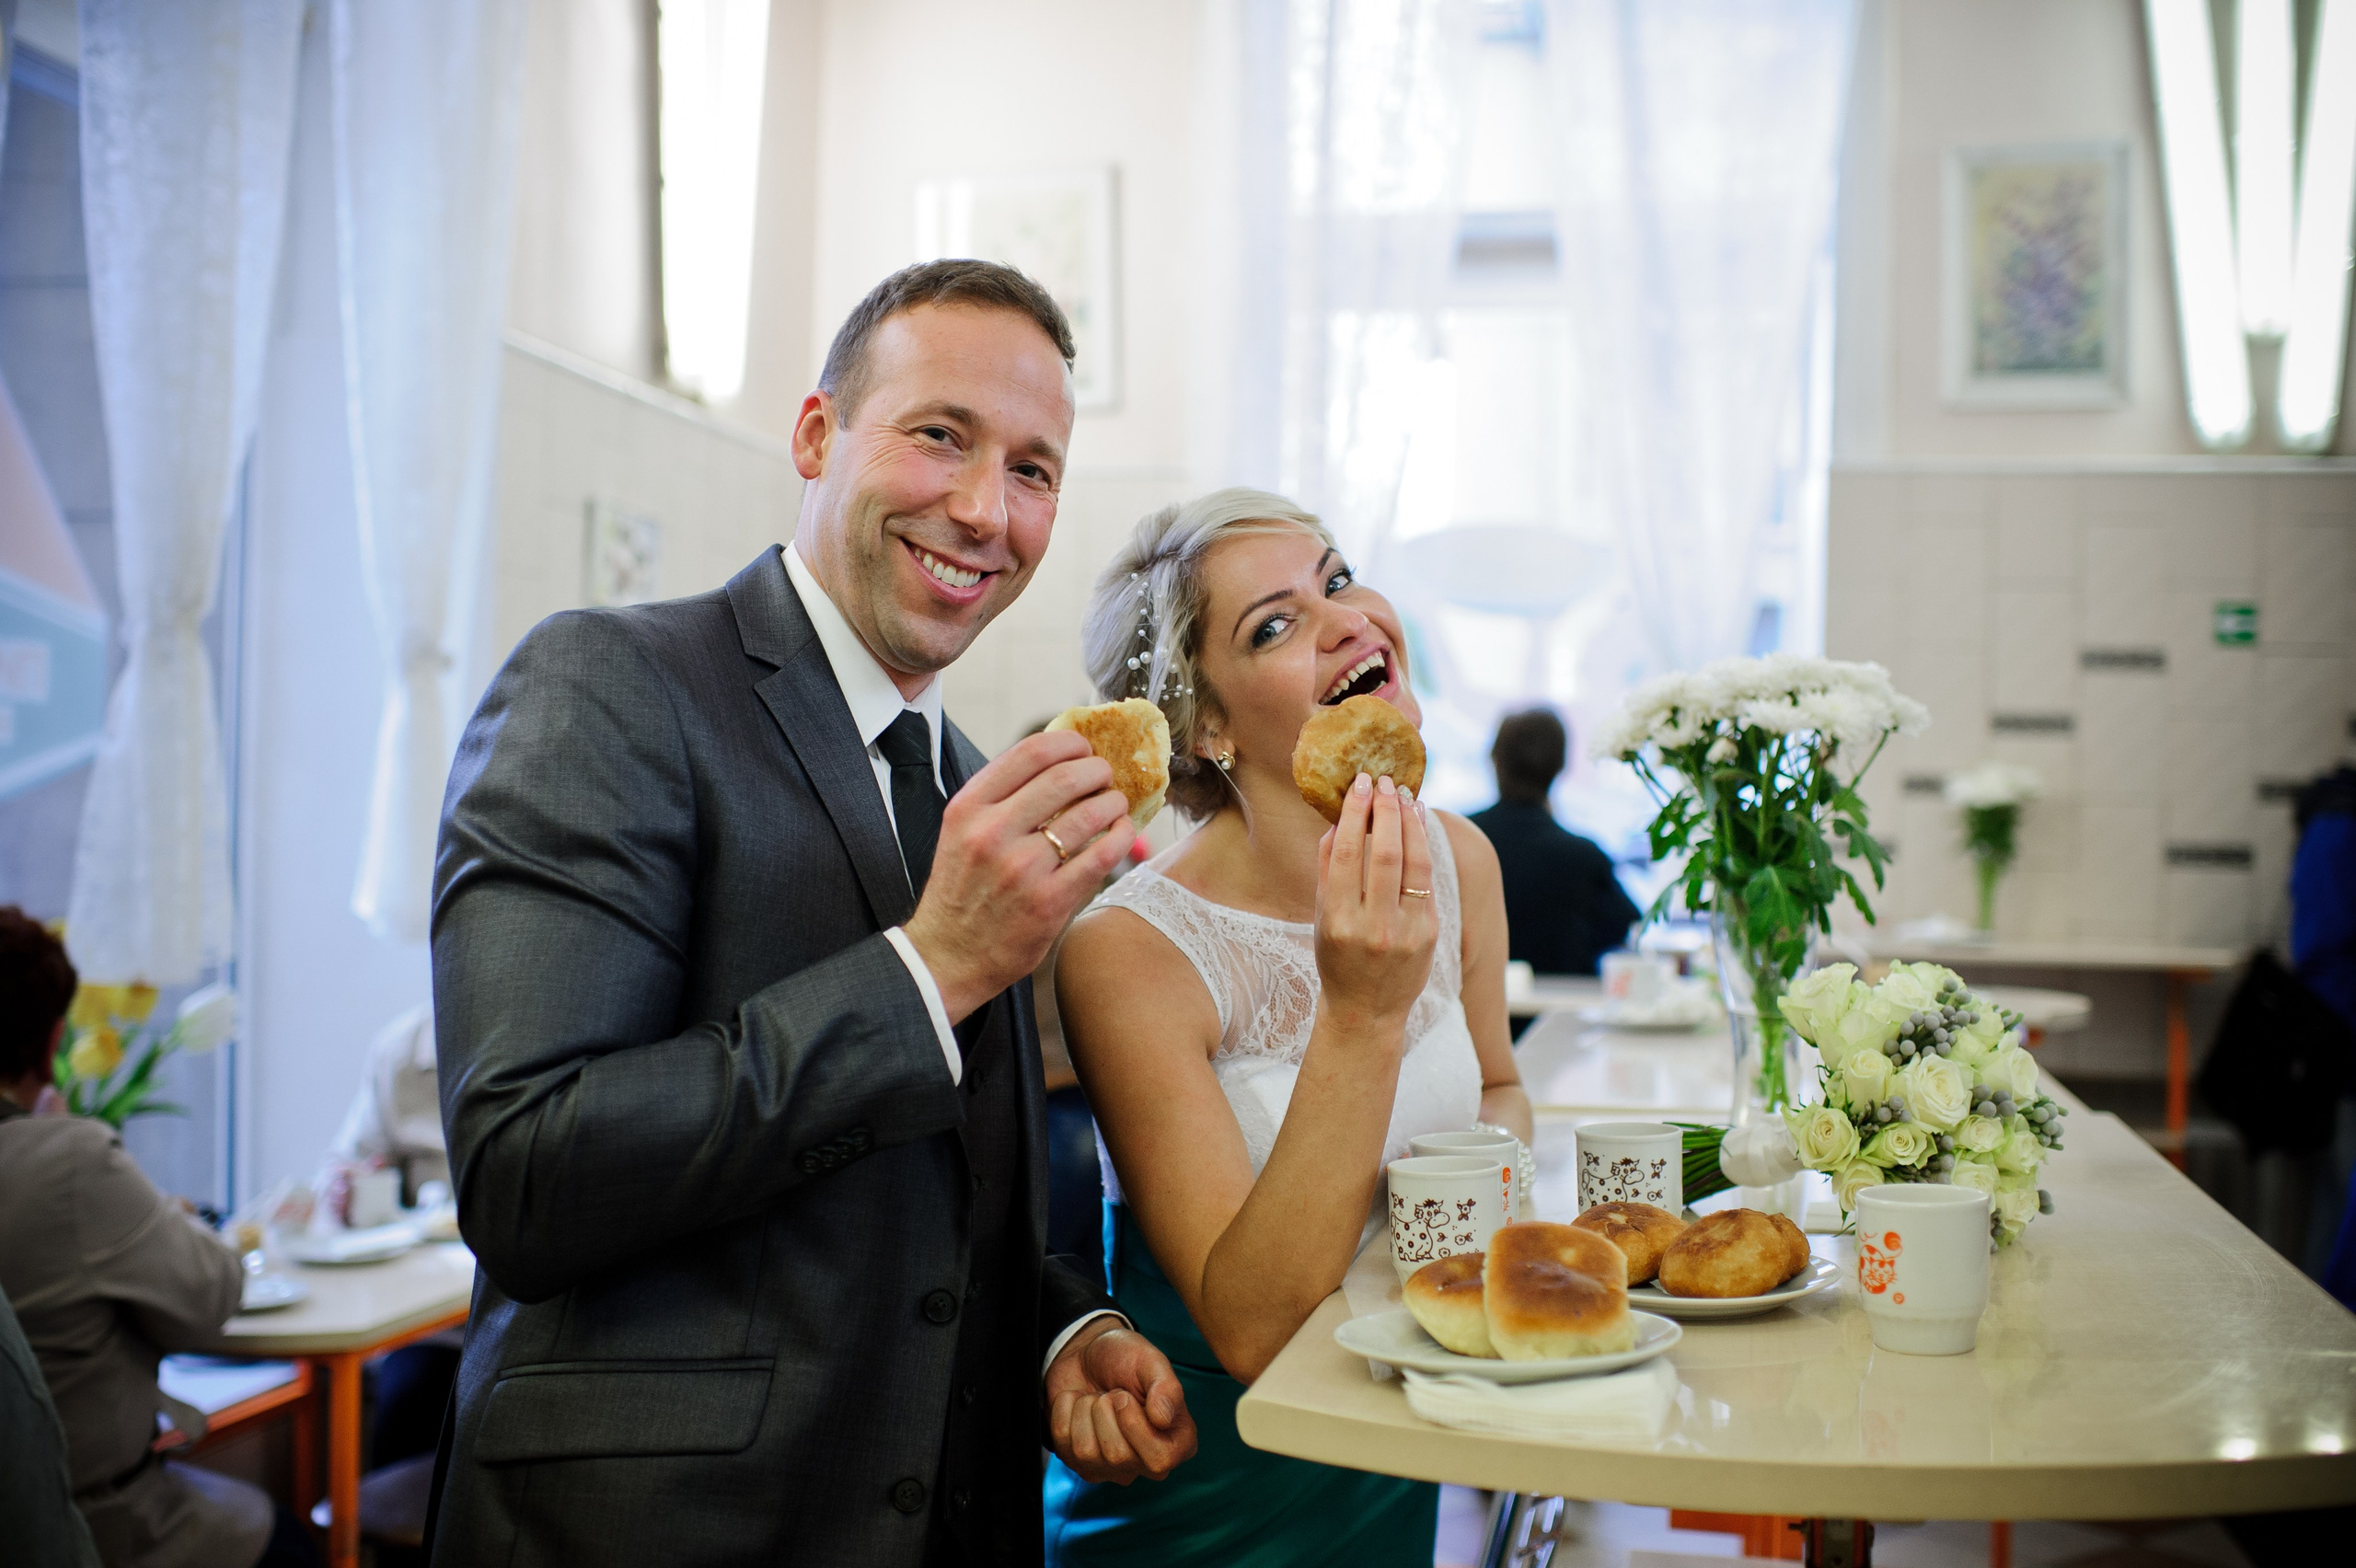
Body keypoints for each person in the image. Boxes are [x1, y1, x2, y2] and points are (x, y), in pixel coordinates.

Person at [428, 260, 1196, 1567]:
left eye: (1033, 469)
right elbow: (527, 1172)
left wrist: (1063, 1326)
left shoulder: (963, 781)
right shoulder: (610, 683)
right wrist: (931, 968)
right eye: (939, 435)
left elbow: (939, 1183)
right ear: (816, 433)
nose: (981, 509)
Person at [1043, 490, 1533, 1566]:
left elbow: (1498, 1087)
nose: (1348, 619)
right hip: (1202, 1502)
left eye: (1339, 577)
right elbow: (1257, 1333)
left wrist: (1468, 1249)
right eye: (1274, 624)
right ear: (1207, 725)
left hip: (1399, 1452)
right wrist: (1360, 1014)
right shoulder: (1130, 952)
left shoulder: (1457, 860)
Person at [0, 908, 318, 1568]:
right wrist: (169, 1216)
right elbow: (213, 1294)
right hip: (89, 1522)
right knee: (293, 1544)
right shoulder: (67, 1160)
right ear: (56, 1037)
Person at [1468, 708, 1639, 976]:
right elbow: (1625, 928)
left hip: (1468, 1012)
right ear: (1560, 766)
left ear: (1494, 759)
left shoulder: (1459, 841)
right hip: (1566, 1013)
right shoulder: (1585, 857)